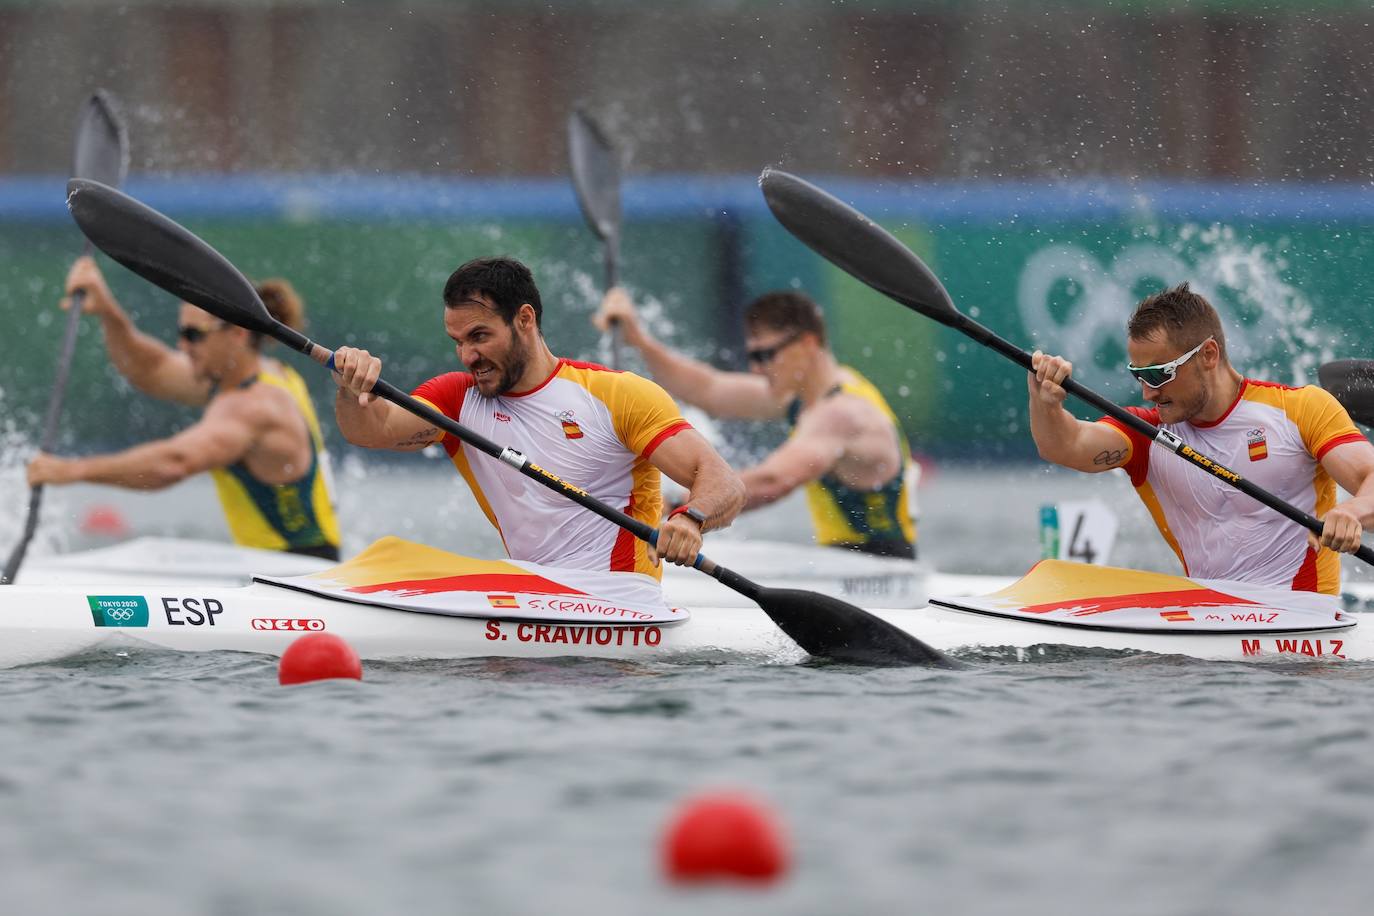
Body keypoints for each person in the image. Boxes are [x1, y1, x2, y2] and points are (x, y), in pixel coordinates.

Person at [331, 256, 744, 574]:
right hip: (532, 594)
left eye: (479, 336)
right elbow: (373, 430)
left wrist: (690, 520)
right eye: (457, 341)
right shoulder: (457, 400)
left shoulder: (617, 395)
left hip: (618, 601)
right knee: (390, 556)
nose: (466, 356)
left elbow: (724, 482)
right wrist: (351, 390)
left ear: (524, 319)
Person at [1028, 282, 1374, 595]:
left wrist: (1351, 513)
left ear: (1208, 354)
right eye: (1139, 376)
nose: (1148, 392)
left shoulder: (1301, 409)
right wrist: (1045, 402)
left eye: (1159, 374)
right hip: (1211, 629)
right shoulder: (1148, 434)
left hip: (1304, 641)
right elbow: (1064, 446)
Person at [27, 257, 341, 560]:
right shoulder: (263, 374)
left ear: (237, 334)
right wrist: (109, 312)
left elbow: (174, 463)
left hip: (298, 575)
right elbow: (151, 369)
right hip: (287, 566)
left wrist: (68, 470)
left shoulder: (255, 407)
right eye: (181, 333)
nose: (183, 346)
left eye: (194, 335)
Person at [591, 287, 917, 560]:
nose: (758, 369)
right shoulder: (806, 395)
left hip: (880, 569)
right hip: (846, 563)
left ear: (807, 344)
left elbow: (772, 481)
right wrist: (639, 340)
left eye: (765, 356)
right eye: (753, 357)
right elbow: (708, 390)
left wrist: (678, 509)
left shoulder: (840, 414)